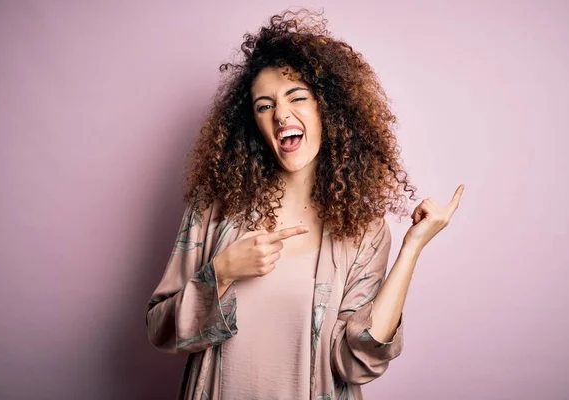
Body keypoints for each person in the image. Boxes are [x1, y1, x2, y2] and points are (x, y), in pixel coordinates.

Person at [146, 8, 464, 400]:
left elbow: (355, 361)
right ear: (253, 122)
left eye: (296, 96)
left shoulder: (362, 227)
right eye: (264, 105)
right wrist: (223, 270)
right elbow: (161, 330)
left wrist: (411, 248)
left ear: (327, 109)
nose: (281, 114)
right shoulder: (215, 206)